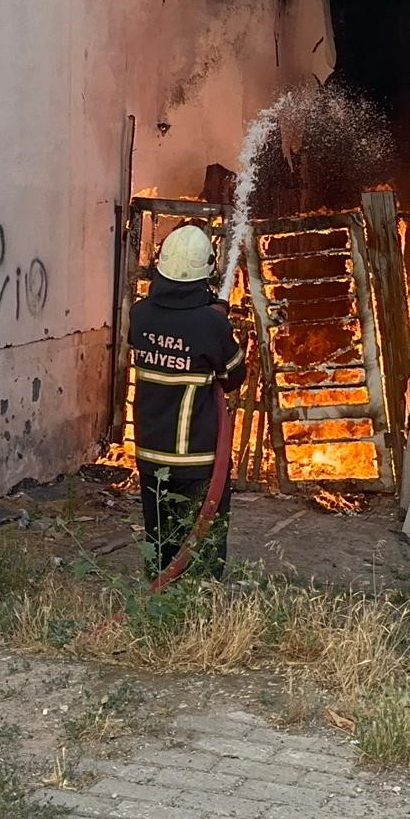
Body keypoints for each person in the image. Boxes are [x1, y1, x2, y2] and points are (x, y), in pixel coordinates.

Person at [128, 225, 246, 579]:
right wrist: (217, 319)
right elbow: (234, 377)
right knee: (200, 544)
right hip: (195, 459)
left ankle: (159, 598)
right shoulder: (211, 324)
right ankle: (197, 609)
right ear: (206, 271)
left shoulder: (140, 314)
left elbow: (172, 329)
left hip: (150, 453)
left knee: (160, 538)